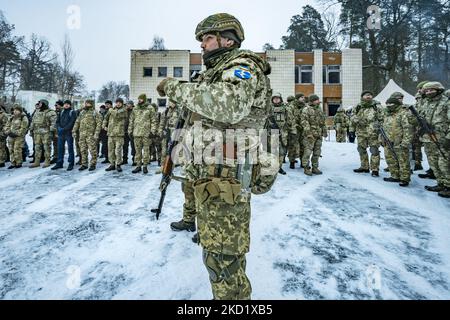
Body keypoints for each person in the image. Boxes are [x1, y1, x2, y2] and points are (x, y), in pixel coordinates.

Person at [157, 13, 273, 300]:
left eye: (206, 38)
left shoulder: (241, 66)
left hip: (226, 180)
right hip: (211, 176)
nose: (202, 45)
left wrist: (174, 87)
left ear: (227, 39)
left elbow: (229, 107)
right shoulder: (214, 72)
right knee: (217, 252)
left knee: (223, 259)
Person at [418, 82, 450, 198]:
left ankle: (448, 186)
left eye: (431, 90)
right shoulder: (425, 103)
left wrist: (448, 138)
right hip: (428, 138)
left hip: (442, 138)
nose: (429, 92)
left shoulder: (446, 102)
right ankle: (441, 183)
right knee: (433, 162)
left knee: (444, 162)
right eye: (426, 91)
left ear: (438, 89)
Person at [351, 91, 384, 177]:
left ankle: (375, 169)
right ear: (362, 97)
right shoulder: (358, 106)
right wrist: (357, 121)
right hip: (361, 132)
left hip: (373, 132)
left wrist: (380, 129)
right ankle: (364, 167)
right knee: (361, 149)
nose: (368, 97)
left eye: (370, 95)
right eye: (366, 95)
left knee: (374, 150)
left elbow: (383, 118)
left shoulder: (377, 106)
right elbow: (352, 116)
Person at [382, 98, 413, 187]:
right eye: (387, 104)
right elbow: (384, 127)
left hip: (399, 141)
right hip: (388, 141)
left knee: (403, 160)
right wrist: (382, 139)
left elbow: (408, 128)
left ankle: (404, 178)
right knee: (390, 159)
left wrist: (406, 141)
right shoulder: (387, 114)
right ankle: (394, 175)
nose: (389, 106)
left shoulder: (403, 113)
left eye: (391, 104)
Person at [128, 94, 158, 174]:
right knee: (137, 151)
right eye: (138, 99)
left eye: (141, 99)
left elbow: (154, 120)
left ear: (144, 99)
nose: (139, 100)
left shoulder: (150, 108)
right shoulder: (135, 108)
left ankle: (145, 166)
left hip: (146, 133)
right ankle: (138, 165)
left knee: (146, 150)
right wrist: (130, 131)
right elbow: (131, 120)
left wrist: (153, 131)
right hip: (136, 133)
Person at [301, 94, 327, 176]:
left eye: (318, 99)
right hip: (310, 135)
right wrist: (308, 133)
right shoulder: (306, 109)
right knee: (307, 152)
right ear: (312, 101)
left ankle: (315, 167)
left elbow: (323, 122)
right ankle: (306, 167)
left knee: (317, 152)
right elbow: (304, 122)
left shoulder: (319, 110)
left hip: (318, 134)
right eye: (316, 100)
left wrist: (324, 131)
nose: (318, 101)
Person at [73, 100, 102, 171]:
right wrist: (74, 130)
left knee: (93, 150)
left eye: (88, 103)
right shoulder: (82, 112)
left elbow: (99, 124)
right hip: (82, 134)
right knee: (83, 150)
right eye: (86, 103)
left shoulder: (95, 113)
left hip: (91, 135)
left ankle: (93, 164)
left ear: (91, 104)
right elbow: (77, 122)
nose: (86, 104)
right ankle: (84, 164)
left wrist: (96, 134)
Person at [29, 99, 57, 168]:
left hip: (46, 133)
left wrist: (51, 131)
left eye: (40, 103)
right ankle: (37, 161)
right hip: (37, 132)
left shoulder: (50, 112)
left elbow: (54, 123)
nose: (39, 104)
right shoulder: (37, 111)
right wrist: (31, 129)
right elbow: (33, 121)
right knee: (37, 147)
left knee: (46, 147)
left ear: (44, 104)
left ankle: (47, 161)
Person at [103, 98, 127, 172]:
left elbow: (117, 115)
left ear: (122, 103)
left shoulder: (124, 110)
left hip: (119, 134)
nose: (118, 104)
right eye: (117, 102)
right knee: (111, 150)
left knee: (118, 150)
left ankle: (118, 164)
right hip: (111, 133)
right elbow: (105, 118)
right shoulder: (112, 109)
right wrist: (104, 125)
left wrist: (110, 110)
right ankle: (112, 164)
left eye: (119, 103)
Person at [52, 100, 77, 171]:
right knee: (60, 149)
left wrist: (64, 129)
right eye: (65, 104)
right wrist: (59, 128)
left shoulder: (72, 112)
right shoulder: (61, 112)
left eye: (67, 104)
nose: (66, 105)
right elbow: (57, 121)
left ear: (70, 105)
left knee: (70, 149)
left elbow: (72, 122)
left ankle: (71, 163)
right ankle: (59, 163)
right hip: (61, 134)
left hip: (68, 133)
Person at [5, 104, 28, 169]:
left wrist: (15, 133)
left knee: (17, 149)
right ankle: (13, 163)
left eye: (16, 110)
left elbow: (24, 128)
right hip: (10, 136)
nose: (15, 111)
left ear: (20, 111)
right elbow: (7, 125)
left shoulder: (23, 117)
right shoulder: (11, 117)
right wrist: (7, 131)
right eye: (14, 110)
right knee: (11, 149)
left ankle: (18, 163)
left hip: (19, 137)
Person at [271, 93, 288, 175]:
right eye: (275, 98)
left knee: (281, 152)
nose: (276, 100)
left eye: (278, 98)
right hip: (270, 134)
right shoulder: (268, 108)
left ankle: (279, 167)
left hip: (282, 133)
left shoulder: (285, 109)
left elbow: (289, 120)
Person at [288, 93, 306, 169]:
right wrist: (295, 125)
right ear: (297, 98)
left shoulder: (305, 107)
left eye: (303, 97)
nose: (303, 98)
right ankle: (292, 162)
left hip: (303, 129)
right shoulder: (291, 106)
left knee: (303, 146)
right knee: (293, 146)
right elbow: (289, 118)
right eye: (302, 97)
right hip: (294, 129)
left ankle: (303, 162)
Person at [123, 101, 136, 165]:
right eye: (127, 104)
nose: (128, 105)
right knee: (124, 146)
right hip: (125, 132)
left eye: (129, 104)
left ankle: (134, 160)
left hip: (132, 132)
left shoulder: (135, 111)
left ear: (132, 105)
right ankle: (124, 159)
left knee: (133, 146)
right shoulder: (124, 111)